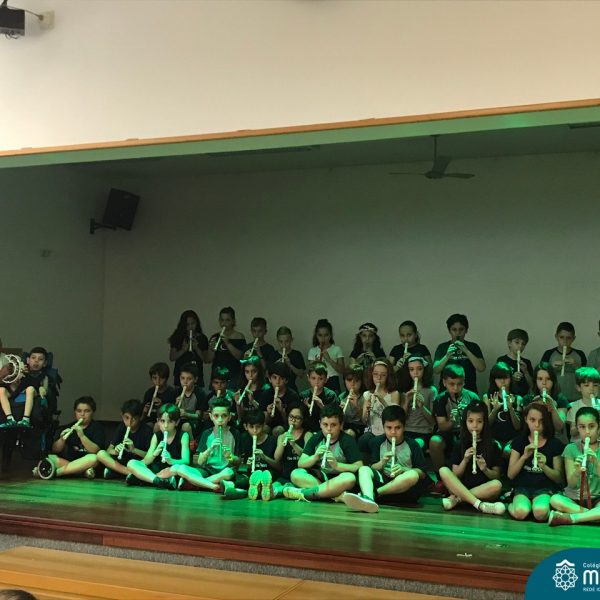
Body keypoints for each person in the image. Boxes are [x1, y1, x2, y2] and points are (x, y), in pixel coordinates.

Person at [342, 405, 430, 513]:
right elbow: (373, 467)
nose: (393, 432)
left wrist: (403, 469)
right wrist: (382, 462)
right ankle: (369, 498)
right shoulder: (377, 442)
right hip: (384, 483)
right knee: (364, 469)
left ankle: (373, 495)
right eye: (389, 428)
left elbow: (422, 473)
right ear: (383, 427)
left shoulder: (413, 444)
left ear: (404, 427)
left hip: (404, 491)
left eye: (398, 428)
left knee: (413, 475)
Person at [283, 403, 362, 502]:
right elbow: (301, 463)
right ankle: (333, 495)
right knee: (296, 473)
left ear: (341, 425)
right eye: (325, 425)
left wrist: (337, 465)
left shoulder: (347, 440)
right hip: (321, 477)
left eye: (333, 425)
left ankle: (306, 493)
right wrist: (315, 457)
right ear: (320, 424)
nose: (329, 429)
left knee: (350, 478)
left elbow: (358, 466)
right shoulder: (316, 438)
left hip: (340, 478)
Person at [439, 400, 505, 515]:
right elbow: (456, 475)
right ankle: (480, 505)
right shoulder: (460, 443)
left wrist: (485, 469)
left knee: (497, 485)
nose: (475, 425)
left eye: (479, 421)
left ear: (485, 423)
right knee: (443, 470)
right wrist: (465, 460)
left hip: (483, 489)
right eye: (470, 421)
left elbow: (496, 476)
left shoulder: (493, 445)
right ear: (465, 422)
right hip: (461, 486)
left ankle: (458, 500)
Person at [507, 402, 564, 521]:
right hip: (522, 487)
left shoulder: (554, 444)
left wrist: (544, 466)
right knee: (521, 512)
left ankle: (540, 508)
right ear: (526, 419)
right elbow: (510, 474)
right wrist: (524, 457)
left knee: (540, 513)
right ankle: (510, 504)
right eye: (532, 420)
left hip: (544, 488)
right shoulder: (519, 441)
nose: (537, 425)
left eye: (541, 421)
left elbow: (559, 478)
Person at [172, 398, 240, 492]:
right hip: (208, 470)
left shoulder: (235, 434)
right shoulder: (206, 434)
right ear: (211, 416)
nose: (220, 420)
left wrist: (230, 457)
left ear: (229, 417)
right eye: (216, 416)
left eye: (224, 416)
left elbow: (238, 462)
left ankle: (194, 484)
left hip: (225, 470)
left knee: (228, 473)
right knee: (180, 468)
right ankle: (210, 484)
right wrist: (210, 449)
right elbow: (200, 462)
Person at [549, 407, 600, 526]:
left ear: (598, 426)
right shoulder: (571, 448)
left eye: (591, 426)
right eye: (582, 427)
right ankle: (593, 516)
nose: (587, 431)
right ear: (577, 428)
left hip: (597, 498)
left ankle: (571, 518)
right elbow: (571, 484)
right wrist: (577, 471)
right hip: (574, 498)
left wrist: (596, 463)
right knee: (554, 499)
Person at [34, 397, 105, 479]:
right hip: (70, 462)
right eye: (79, 411)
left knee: (94, 458)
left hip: (88, 462)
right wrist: (62, 439)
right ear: (75, 412)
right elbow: (55, 450)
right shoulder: (69, 427)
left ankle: (56, 472)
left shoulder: (98, 428)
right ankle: (80, 472)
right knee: (50, 457)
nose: (82, 414)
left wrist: (82, 436)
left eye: (87, 411)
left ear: (92, 412)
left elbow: (95, 451)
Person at [429, 365, 479, 479]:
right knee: (435, 442)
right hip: (449, 432)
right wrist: (452, 420)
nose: (455, 388)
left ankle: (469, 477)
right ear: (444, 383)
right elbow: (442, 427)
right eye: (451, 384)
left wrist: (468, 416)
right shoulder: (440, 399)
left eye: (459, 384)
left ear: (464, 382)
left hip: (469, 431)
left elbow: (480, 422)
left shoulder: (472, 397)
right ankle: (441, 477)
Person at [127, 403, 190, 488]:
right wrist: (155, 453)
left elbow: (186, 461)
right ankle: (158, 481)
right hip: (158, 469)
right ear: (158, 421)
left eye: (170, 421)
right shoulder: (156, 436)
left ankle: (145, 479)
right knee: (131, 463)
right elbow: (146, 461)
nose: (166, 426)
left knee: (179, 469)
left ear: (177, 422)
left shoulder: (183, 436)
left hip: (174, 469)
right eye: (162, 421)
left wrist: (171, 461)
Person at [96, 399, 153, 479]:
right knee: (101, 454)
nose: (129, 422)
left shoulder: (147, 430)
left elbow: (150, 457)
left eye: (134, 419)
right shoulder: (121, 427)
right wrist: (116, 451)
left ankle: (118, 473)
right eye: (126, 418)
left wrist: (134, 450)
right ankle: (130, 474)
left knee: (137, 464)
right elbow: (109, 450)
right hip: (122, 462)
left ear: (140, 417)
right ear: (122, 416)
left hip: (138, 463)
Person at [433, 314, 485, 394]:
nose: (458, 333)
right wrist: (447, 356)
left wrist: (466, 351)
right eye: (454, 330)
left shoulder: (473, 347)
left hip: (469, 391)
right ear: (449, 331)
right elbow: (436, 370)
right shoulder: (442, 347)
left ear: (466, 330)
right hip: (446, 393)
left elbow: (481, 368)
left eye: (461, 329)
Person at [358, 360, 400, 452]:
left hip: (387, 431)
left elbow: (395, 416)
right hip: (371, 430)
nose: (379, 378)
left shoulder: (394, 394)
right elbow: (364, 421)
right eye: (375, 374)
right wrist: (366, 410)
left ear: (388, 377)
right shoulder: (367, 394)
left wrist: (382, 401)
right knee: (362, 440)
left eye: (383, 375)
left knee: (375, 442)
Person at [272, 402, 313, 498]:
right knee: (273, 486)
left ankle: (283, 490)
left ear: (303, 419)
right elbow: (277, 458)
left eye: (297, 418)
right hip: (285, 475)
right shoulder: (282, 436)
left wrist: (294, 444)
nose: (293, 420)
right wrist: (282, 443)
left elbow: (307, 457)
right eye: (291, 417)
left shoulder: (307, 435)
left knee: (283, 489)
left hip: (300, 476)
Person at [540, 322, 586, 403]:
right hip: (554, 398)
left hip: (576, 399)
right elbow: (540, 377)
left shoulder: (580, 354)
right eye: (561, 337)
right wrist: (551, 367)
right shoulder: (548, 354)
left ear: (573, 338)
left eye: (568, 338)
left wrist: (576, 365)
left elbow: (586, 378)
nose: (565, 341)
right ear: (556, 337)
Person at [522, 362, 569, 441]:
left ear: (553, 380)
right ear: (535, 381)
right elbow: (526, 425)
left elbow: (559, 427)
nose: (544, 383)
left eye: (548, 379)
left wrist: (553, 408)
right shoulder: (528, 399)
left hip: (555, 438)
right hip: (534, 437)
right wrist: (533, 407)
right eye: (540, 379)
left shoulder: (560, 399)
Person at [240, 409, 279, 501]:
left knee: (268, 476)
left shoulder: (272, 441)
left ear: (263, 425)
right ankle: (258, 489)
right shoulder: (245, 439)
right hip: (252, 475)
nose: (255, 430)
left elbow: (279, 467)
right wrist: (248, 465)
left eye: (258, 427)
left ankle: (262, 488)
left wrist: (265, 457)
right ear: (245, 426)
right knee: (241, 482)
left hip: (268, 473)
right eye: (251, 427)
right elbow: (243, 466)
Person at [398, 356, 436, 450]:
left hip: (424, 432)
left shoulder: (431, 391)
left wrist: (422, 406)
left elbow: (433, 421)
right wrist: (407, 401)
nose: (415, 373)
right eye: (411, 369)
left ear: (424, 370)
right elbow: (401, 419)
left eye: (419, 369)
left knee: (415, 445)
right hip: (406, 430)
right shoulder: (404, 391)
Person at [484, 362, 522, 455]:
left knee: (507, 451)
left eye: (505, 378)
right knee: (495, 449)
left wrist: (511, 408)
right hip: (494, 438)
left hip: (512, 439)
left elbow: (518, 427)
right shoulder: (487, 397)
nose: (502, 381)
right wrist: (495, 409)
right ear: (494, 380)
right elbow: (487, 424)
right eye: (499, 378)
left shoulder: (518, 398)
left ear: (510, 378)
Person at [206, 307, 246, 388]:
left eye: (227, 320)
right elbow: (208, 360)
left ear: (233, 321)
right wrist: (212, 349)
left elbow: (241, 357)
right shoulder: (215, 337)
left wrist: (228, 343)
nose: (224, 323)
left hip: (234, 376)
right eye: (222, 320)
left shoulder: (239, 337)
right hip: (217, 376)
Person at [168, 310, 209, 388]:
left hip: (196, 375)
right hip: (181, 376)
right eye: (187, 324)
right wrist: (183, 350)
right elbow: (172, 357)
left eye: (193, 323)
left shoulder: (202, 338)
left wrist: (196, 348)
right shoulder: (178, 337)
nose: (190, 327)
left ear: (197, 323)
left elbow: (206, 359)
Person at [260, 362, 299, 436]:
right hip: (270, 425)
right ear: (270, 379)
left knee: (278, 430)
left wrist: (282, 411)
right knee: (263, 429)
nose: (277, 382)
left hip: (285, 426)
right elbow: (263, 421)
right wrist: (268, 413)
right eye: (274, 378)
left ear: (286, 380)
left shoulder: (293, 396)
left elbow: (292, 422)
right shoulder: (265, 394)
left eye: (281, 378)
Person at [307, 319, 344, 392]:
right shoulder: (312, 351)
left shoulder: (337, 349)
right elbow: (310, 372)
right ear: (316, 336)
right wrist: (316, 364)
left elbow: (342, 370)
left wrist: (329, 359)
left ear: (330, 335)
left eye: (326, 335)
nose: (323, 338)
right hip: (318, 381)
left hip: (333, 381)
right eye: (320, 335)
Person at [299, 361, 338, 431]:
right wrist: (306, 408)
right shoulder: (303, 395)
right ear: (308, 378)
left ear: (326, 379)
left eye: (320, 379)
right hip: (307, 429)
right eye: (313, 378)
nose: (316, 382)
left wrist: (322, 406)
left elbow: (334, 418)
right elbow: (300, 418)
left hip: (326, 429)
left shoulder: (331, 395)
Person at [565, 366, 600, 441]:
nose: (591, 388)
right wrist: (583, 422)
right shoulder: (574, 406)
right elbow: (572, 432)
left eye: (595, 385)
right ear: (578, 388)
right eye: (587, 385)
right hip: (579, 444)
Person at [495, 329, 533, 397]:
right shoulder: (502, 361)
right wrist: (512, 379)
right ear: (509, 343)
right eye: (517, 342)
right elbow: (497, 383)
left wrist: (526, 372)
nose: (520, 346)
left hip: (524, 398)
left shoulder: (526, 362)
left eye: (523, 344)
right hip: (507, 397)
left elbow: (532, 386)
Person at [175, 363, 208, 437]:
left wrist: (186, 414)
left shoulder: (199, 393)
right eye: (182, 378)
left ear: (195, 379)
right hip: (178, 421)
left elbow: (198, 415)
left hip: (193, 422)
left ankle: (193, 442)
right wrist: (175, 405)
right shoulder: (176, 392)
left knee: (186, 426)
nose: (185, 382)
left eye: (189, 379)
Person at [234, 356, 268, 424]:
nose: (250, 375)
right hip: (246, 423)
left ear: (259, 372)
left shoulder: (266, 389)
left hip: (259, 424)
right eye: (247, 372)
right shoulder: (241, 388)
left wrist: (253, 401)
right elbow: (240, 417)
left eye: (254, 371)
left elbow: (265, 416)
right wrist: (238, 405)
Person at [273, 326, 306, 391]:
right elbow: (267, 375)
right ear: (277, 340)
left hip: (291, 389)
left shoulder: (297, 354)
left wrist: (290, 364)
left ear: (291, 340)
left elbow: (301, 374)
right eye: (281, 342)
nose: (284, 344)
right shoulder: (273, 354)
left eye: (287, 341)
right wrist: (276, 366)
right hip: (275, 389)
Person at [339, 366, 365, 439]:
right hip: (344, 425)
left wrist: (357, 406)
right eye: (349, 380)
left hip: (360, 427)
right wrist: (339, 411)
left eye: (356, 380)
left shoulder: (366, 396)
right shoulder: (341, 397)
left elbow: (365, 421)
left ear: (361, 381)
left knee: (349, 433)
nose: (352, 384)